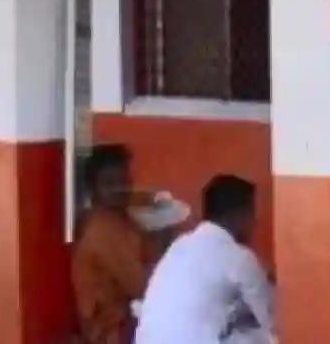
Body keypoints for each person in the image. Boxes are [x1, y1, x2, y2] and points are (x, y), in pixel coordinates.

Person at [137, 174, 276, 344]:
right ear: (237, 215)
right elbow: (273, 321)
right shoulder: (238, 257)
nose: (255, 221)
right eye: (251, 213)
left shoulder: (180, 245)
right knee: (257, 337)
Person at [73, 145, 157, 344]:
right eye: (110, 183)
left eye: (125, 181)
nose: (120, 189)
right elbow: (144, 287)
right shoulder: (103, 230)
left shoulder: (120, 217)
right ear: (93, 189)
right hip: (112, 331)